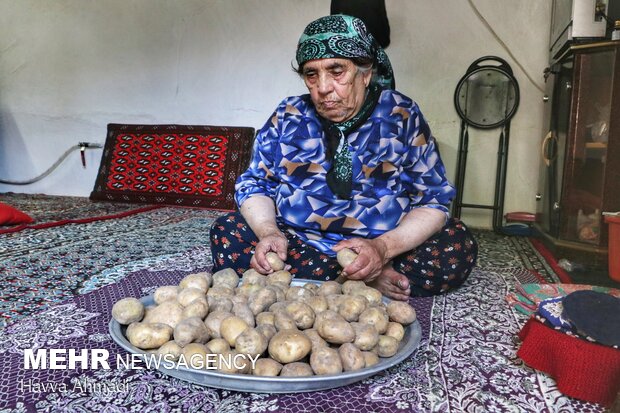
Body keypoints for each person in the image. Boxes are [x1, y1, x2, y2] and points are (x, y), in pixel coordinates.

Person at [210, 15, 477, 301]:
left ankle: (323, 279)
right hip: (302, 243)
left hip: (384, 243)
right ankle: (363, 279)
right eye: (311, 75)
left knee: (456, 245)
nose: (323, 87)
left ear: (365, 73)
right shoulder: (289, 115)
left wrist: (383, 249)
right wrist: (268, 233)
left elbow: (432, 201)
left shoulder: (401, 115)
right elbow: (256, 185)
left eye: (337, 71)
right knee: (227, 233)